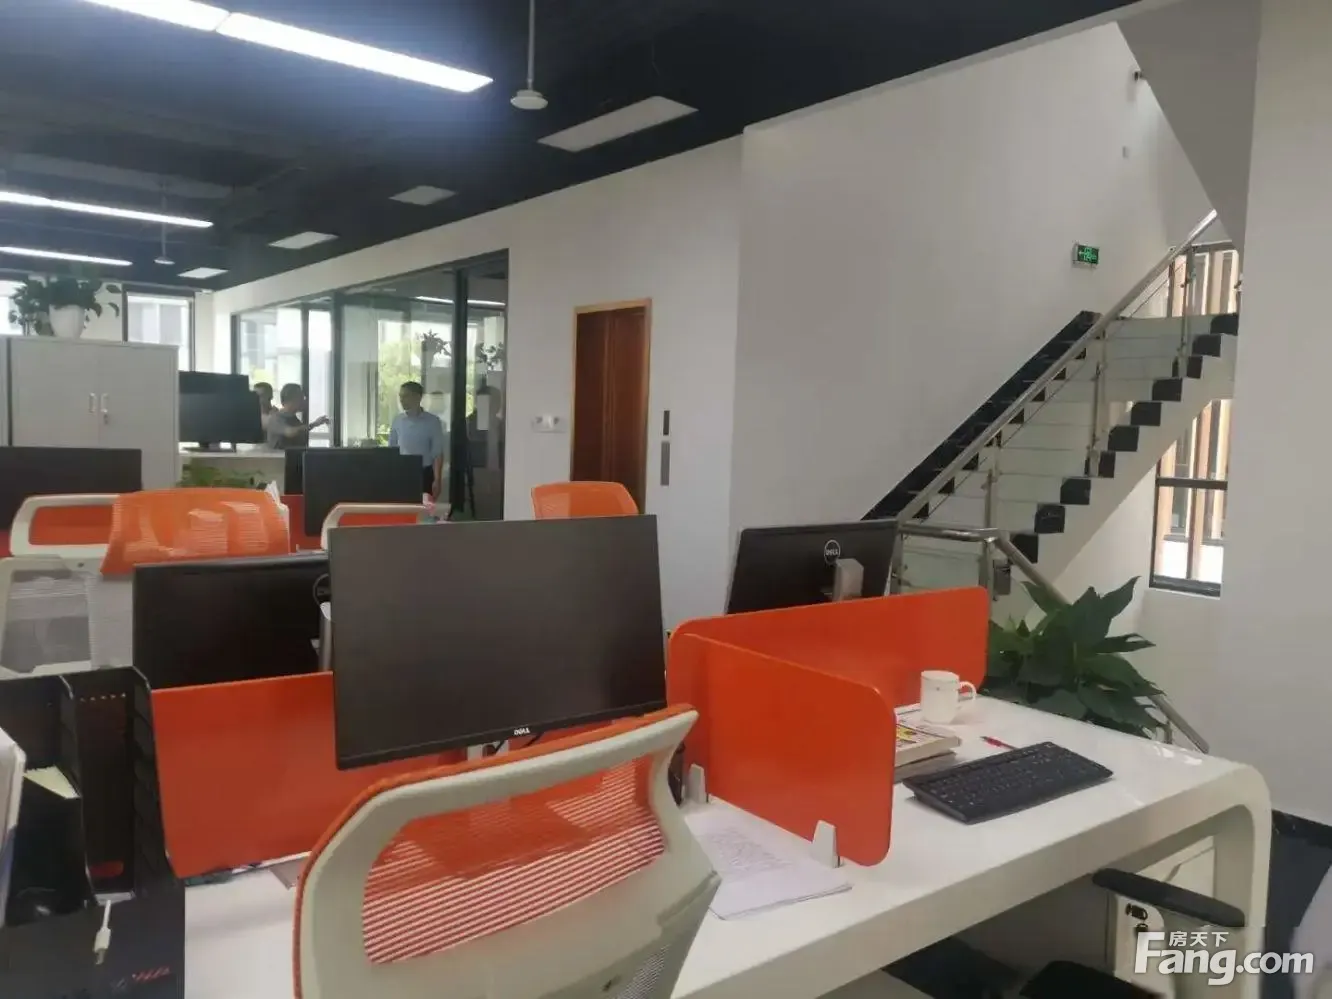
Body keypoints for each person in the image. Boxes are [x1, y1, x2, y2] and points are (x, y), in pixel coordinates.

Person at [389, 381, 445, 498]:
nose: (401, 400)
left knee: (425, 506)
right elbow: (391, 450)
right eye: (400, 396)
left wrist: (437, 479)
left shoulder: (433, 421)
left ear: (418, 397)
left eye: (405, 396)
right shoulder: (397, 420)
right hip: (402, 473)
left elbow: (437, 453)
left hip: (424, 473)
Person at [266, 383, 327, 450]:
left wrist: (316, 423)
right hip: (282, 457)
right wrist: (315, 424)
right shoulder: (276, 419)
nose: (304, 401)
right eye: (301, 398)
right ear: (291, 399)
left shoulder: (294, 419)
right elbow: (290, 432)